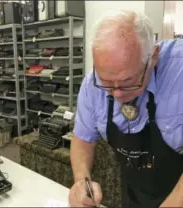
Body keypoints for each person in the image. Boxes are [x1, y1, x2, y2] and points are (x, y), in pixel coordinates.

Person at [69, 10, 183, 208]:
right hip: (135, 194)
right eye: (106, 82)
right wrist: (81, 181)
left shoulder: (179, 71)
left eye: (128, 81)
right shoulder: (92, 84)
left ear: (153, 57)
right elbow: (82, 139)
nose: (117, 94)